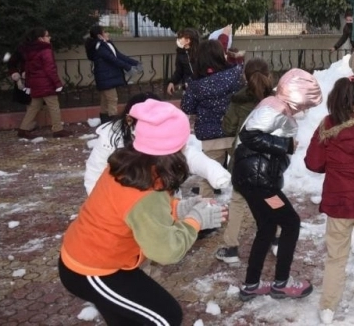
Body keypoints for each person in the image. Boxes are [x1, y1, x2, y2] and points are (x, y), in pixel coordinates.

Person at [59, 99, 226, 326]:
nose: (187, 147)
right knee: (165, 318)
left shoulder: (131, 164)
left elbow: (139, 214)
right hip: (92, 269)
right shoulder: (146, 188)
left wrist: (180, 208)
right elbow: (166, 251)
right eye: (184, 143)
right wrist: (195, 220)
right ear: (173, 150)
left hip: (99, 258)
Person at [232, 68, 323, 301]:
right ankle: (281, 283)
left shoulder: (274, 104)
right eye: (305, 104)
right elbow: (249, 135)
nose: (304, 110)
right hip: (261, 184)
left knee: (267, 227)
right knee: (291, 222)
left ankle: (251, 284)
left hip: (252, 180)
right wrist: (286, 146)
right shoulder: (276, 107)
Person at [304, 76, 354, 324]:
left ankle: (328, 308)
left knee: (336, 256)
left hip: (339, 203)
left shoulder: (328, 125)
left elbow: (313, 162)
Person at [84, 92, 231, 197]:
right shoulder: (111, 138)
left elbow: (188, 154)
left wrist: (213, 170)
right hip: (125, 198)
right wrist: (97, 199)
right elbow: (95, 171)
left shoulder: (164, 131)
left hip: (162, 193)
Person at [214, 58, 275, 264]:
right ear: (269, 76)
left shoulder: (237, 101)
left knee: (238, 202)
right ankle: (276, 238)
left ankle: (231, 247)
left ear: (244, 77)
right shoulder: (277, 102)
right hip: (268, 161)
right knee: (273, 199)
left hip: (243, 162)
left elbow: (228, 129)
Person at [181, 39, 244, 199]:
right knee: (242, 173)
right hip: (235, 131)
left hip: (210, 136)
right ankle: (241, 209)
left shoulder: (196, 84)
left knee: (208, 175)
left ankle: (206, 215)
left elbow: (187, 107)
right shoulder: (236, 75)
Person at [11, 27, 71, 139]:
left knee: (34, 107)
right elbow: (50, 69)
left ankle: (23, 129)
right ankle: (57, 129)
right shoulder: (46, 50)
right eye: (47, 36)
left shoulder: (30, 50)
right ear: (41, 38)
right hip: (46, 83)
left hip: (36, 83)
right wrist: (57, 84)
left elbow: (28, 68)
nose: (50, 37)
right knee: (54, 106)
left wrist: (29, 83)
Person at [85, 25, 141, 124]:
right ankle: (112, 124)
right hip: (105, 78)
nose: (108, 33)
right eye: (105, 32)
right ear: (99, 36)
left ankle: (105, 122)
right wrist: (128, 67)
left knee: (105, 101)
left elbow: (118, 55)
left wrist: (134, 63)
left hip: (106, 78)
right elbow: (113, 60)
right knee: (112, 100)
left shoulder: (106, 44)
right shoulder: (100, 48)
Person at [166, 28, 200, 96]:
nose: (178, 40)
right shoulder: (180, 54)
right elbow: (179, 72)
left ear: (187, 40)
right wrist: (172, 82)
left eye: (180, 38)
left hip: (201, 87)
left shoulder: (201, 52)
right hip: (187, 89)